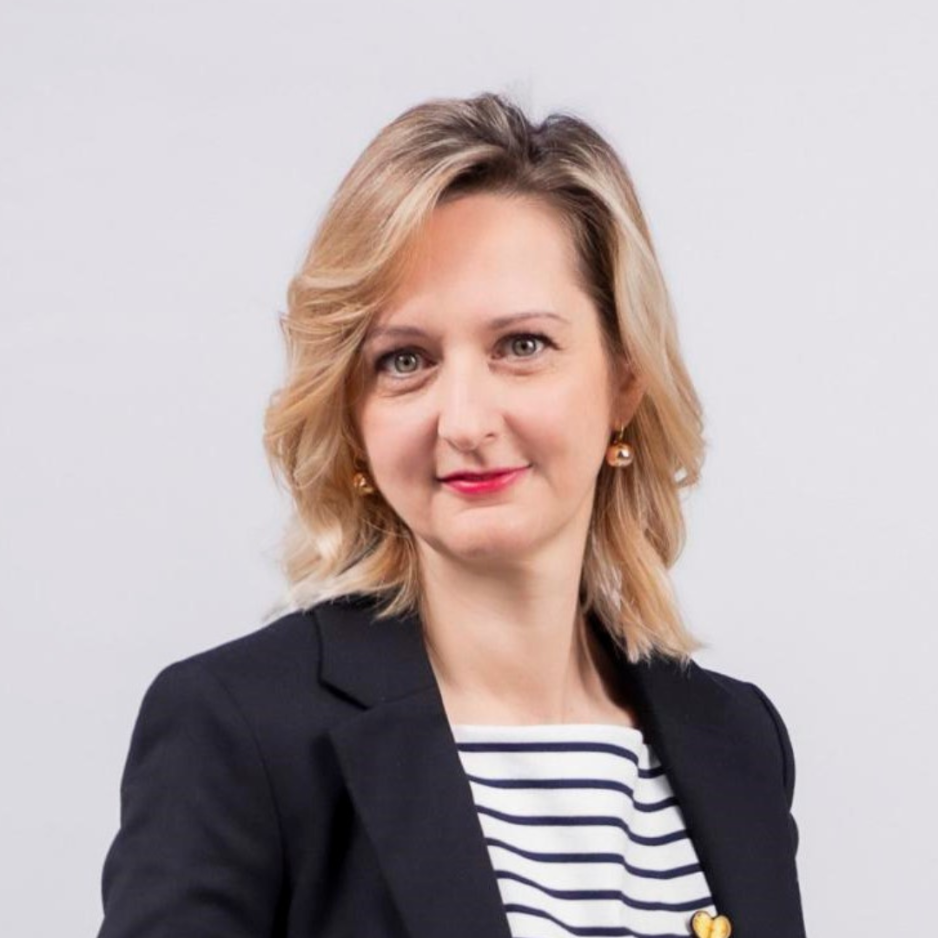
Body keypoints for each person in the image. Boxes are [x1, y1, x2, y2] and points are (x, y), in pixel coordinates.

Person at [96, 92, 807, 938]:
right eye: (405, 360)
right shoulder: (239, 729)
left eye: (522, 346)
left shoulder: (738, 740)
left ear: (625, 379)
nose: (465, 422)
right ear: (352, 413)